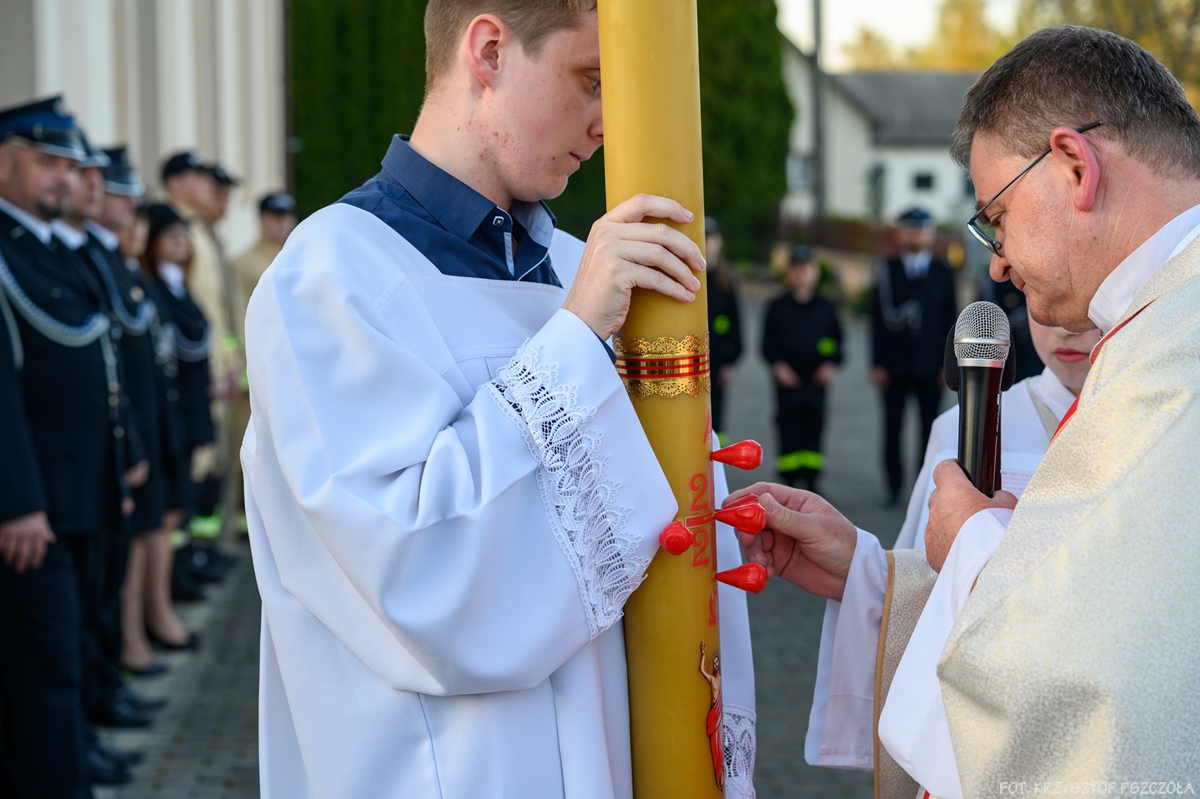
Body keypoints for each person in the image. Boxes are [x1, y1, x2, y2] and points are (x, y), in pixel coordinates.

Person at [243, 2, 756, 797]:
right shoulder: (331, 276)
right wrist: (575, 341)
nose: (607, 126)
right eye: (591, 80)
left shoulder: (584, 267)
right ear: (488, 51)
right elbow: (423, 576)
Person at [747, 25, 1200, 797]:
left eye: (998, 213)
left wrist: (972, 541)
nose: (997, 260)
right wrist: (871, 575)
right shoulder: (1161, 325)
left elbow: (1118, 696)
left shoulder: (1177, 348)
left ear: (1075, 167)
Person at [0, 96, 121, 797]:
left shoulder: (50, 250)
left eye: (69, 167)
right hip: (35, 504)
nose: (64, 178)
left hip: (77, 490)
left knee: (65, 654)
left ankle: (69, 765)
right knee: (43, 668)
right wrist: (16, 500)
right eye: (48, 162)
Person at [137, 203, 208, 652]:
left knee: (177, 514)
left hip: (183, 415)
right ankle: (156, 615)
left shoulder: (177, 284)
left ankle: (168, 595)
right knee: (161, 521)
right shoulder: (151, 288)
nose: (183, 242)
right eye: (172, 234)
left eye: (185, 234)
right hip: (165, 417)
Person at [870, 207, 958, 505]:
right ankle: (893, 487)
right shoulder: (888, 270)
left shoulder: (943, 272)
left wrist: (948, 366)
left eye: (922, 230)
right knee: (892, 427)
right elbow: (877, 320)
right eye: (910, 229)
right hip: (894, 365)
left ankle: (924, 488)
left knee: (929, 430)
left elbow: (951, 322)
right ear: (901, 234)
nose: (916, 235)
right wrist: (877, 362)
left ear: (930, 235)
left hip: (931, 367)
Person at [762, 245, 842, 492]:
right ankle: (789, 483)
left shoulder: (826, 308)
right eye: (797, 269)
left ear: (815, 273)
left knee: (813, 429)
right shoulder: (777, 306)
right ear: (789, 273)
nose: (802, 274)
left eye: (806, 269)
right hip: (788, 384)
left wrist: (830, 364)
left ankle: (812, 482)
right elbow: (767, 344)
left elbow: (838, 342)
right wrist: (778, 367)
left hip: (816, 384)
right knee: (788, 429)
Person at [703, 216, 742, 443]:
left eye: (710, 237)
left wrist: (731, 362)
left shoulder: (725, 284)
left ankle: (717, 461)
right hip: (691, 362)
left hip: (717, 363)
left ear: (719, 242)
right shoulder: (688, 278)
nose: (706, 242)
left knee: (716, 419)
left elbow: (736, 329)